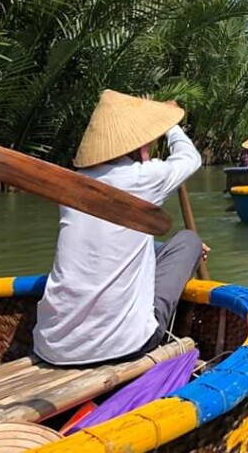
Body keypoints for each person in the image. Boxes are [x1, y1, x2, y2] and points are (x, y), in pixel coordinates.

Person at [33, 90, 208, 366]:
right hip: (125, 344)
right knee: (189, 241)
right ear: (140, 147)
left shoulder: (72, 184)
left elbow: (113, 242)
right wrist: (170, 125)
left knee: (164, 247)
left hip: (51, 346)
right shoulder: (142, 177)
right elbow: (190, 157)